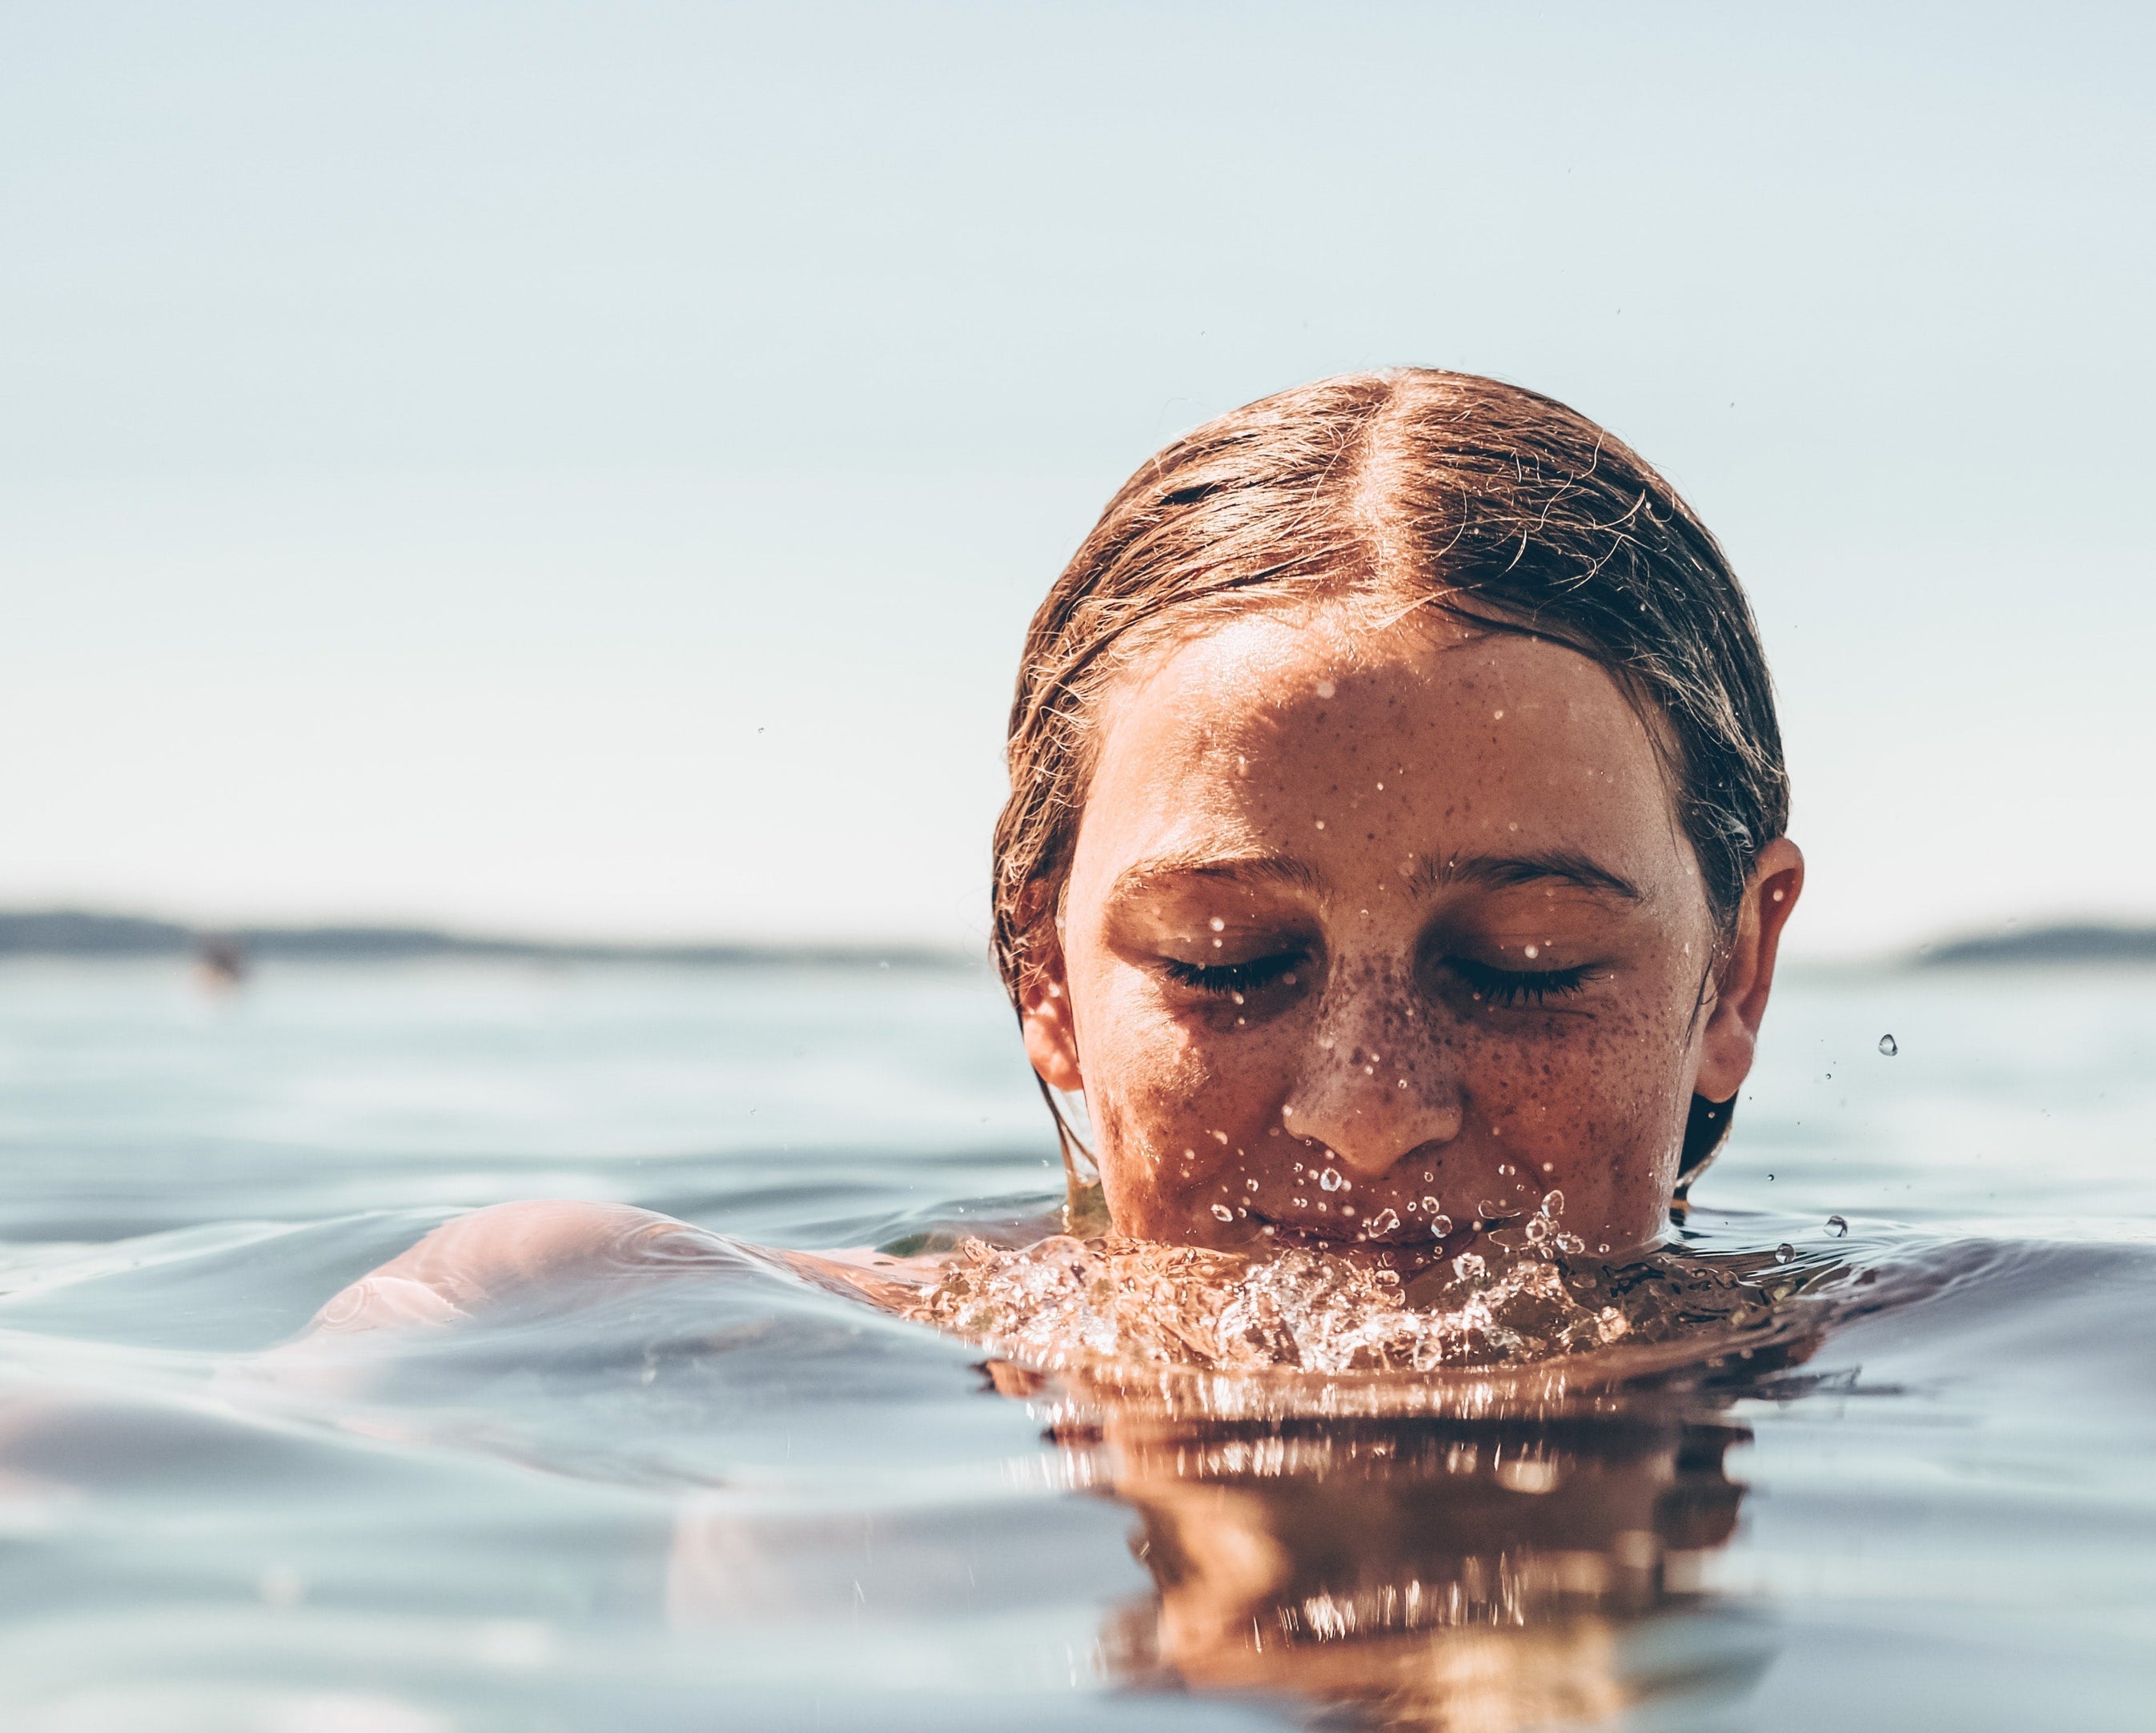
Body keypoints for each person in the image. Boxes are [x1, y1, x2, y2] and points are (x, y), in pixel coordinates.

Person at [299, 368, 1805, 1345]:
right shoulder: (628, 1320)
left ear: (1734, 974)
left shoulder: (1936, 1357)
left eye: (1518, 965)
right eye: (1230, 961)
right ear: (1048, 980)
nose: (1367, 1108)